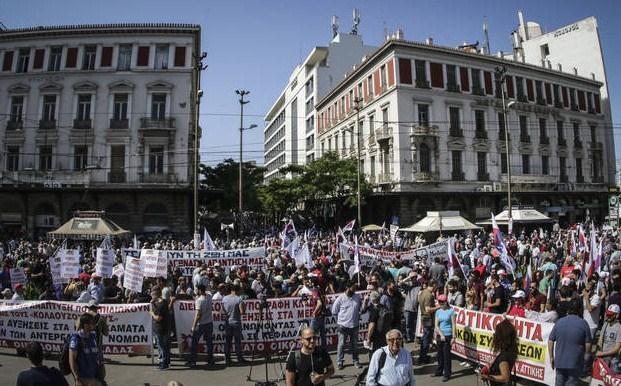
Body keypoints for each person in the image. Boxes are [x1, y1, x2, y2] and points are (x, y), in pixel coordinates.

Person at [548, 301, 592, 385]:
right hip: (575, 363)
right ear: (580, 310)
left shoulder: (559, 322)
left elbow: (550, 340)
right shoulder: (583, 324)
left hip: (560, 362)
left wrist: (551, 357)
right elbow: (588, 345)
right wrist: (586, 360)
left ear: (568, 310)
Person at [331, 281, 362, 370]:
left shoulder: (357, 297)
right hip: (343, 326)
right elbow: (334, 311)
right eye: (353, 287)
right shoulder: (340, 298)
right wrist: (339, 323)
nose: (355, 289)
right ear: (347, 287)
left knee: (355, 345)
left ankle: (355, 361)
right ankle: (340, 362)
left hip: (354, 326)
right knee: (341, 345)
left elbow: (360, 308)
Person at [69, 313, 105, 386]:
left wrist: (102, 367)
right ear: (85, 325)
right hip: (83, 379)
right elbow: (72, 360)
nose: (94, 325)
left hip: (95, 377)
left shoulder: (93, 336)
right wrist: (77, 378)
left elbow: (97, 355)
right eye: (92, 323)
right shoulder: (76, 338)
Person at [479, 319, 518, 386]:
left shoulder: (504, 357)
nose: (494, 335)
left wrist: (488, 377)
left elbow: (505, 378)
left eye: (496, 333)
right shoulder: (510, 349)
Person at [186, 284, 214, 367]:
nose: (196, 291)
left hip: (201, 324)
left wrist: (193, 326)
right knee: (209, 343)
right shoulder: (209, 297)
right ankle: (210, 360)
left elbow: (198, 315)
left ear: (200, 290)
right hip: (209, 323)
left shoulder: (199, 301)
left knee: (194, 343)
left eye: (197, 290)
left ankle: (193, 361)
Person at [221, 284, 248, 364]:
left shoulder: (224, 298)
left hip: (228, 322)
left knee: (228, 341)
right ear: (236, 290)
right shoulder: (239, 299)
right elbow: (242, 312)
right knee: (237, 341)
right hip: (236, 322)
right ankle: (239, 358)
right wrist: (244, 306)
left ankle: (227, 358)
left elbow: (223, 311)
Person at [433, 294, 456, 381]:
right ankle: (439, 371)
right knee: (439, 355)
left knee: (446, 356)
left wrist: (454, 337)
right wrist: (439, 335)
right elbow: (436, 325)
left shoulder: (451, 311)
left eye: (442, 302)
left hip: (448, 335)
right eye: (439, 302)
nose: (441, 304)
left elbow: (454, 325)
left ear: (446, 302)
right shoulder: (438, 311)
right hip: (440, 335)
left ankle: (447, 374)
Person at [150, 286, 171, 370]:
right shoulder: (162, 302)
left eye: (152, 294)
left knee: (162, 347)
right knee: (165, 346)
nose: (151, 296)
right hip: (164, 328)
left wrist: (151, 313)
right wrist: (153, 303)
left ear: (156, 294)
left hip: (160, 328)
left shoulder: (161, 304)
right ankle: (166, 362)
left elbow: (158, 318)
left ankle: (164, 364)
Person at [418, 280, 438, 364]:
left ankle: (422, 355)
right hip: (428, 318)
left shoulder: (422, 292)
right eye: (436, 286)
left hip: (424, 317)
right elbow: (428, 309)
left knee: (424, 338)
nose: (436, 288)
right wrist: (438, 307)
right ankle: (423, 357)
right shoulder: (429, 295)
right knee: (426, 338)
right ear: (433, 285)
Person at [595, 304, 621, 369]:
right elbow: (600, 340)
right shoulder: (605, 324)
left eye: (610, 315)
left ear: (617, 315)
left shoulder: (619, 328)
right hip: (602, 356)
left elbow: (616, 349)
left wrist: (602, 354)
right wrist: (598, 350)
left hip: (612, 359)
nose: (608, 316)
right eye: (607, 314)